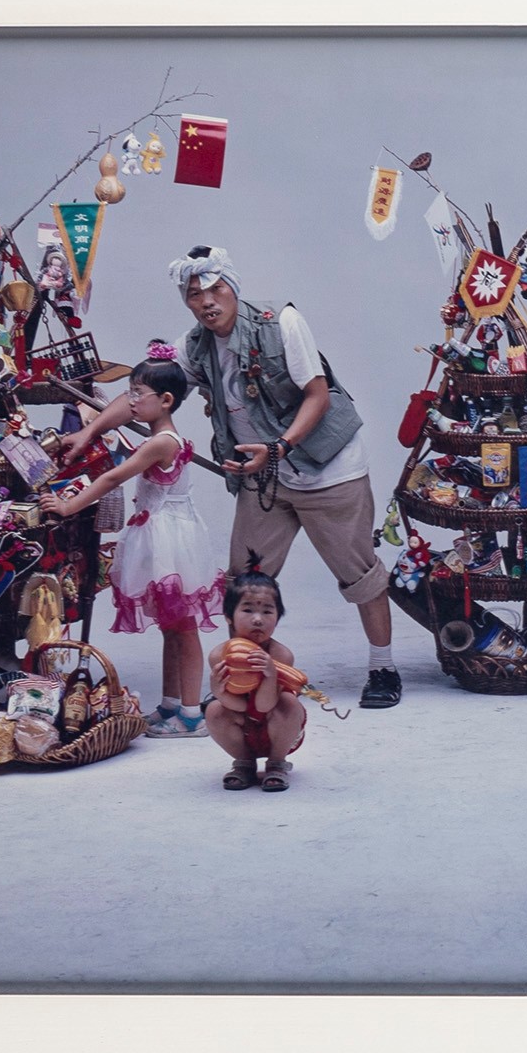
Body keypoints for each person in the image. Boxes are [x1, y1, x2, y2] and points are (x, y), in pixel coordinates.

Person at [153, 246, 403, 708]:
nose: (207, 301)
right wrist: (94, 420)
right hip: (265, 477)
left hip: (329, 468)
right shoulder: (194, 346)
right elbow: (152, 391)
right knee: (244, 581)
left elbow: (317, 394)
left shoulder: (281, 322)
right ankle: (241, 674)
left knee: (360, 574)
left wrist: (279, 447)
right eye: (194, 294)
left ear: (233, 287)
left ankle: (383, 668)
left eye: (216, 288)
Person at [40, 345, 222, 737]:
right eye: (130, 392)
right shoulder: (159, 437)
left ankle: (192, 715)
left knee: (184, 628)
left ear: (166, 400)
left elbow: (112, 478)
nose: (132, 401)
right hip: (158, 532)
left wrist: (68, 506)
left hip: (170, 539)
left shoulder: (162, 442)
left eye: (139, 393)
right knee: (171, 627)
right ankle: (171, 704)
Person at [207, 555, 335, 791]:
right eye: (247, 610)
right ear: (229, 617)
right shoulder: (219, 656)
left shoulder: (281, 655)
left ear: (278, 618)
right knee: (214, 710)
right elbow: (239, 706)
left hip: (278, 729)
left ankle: (277, 763)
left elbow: (265, 705)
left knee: (290, 703)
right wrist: (219, 692)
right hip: (242, 725)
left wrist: (270, 674)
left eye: (267, 611)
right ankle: (244, 763)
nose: (258, 619)